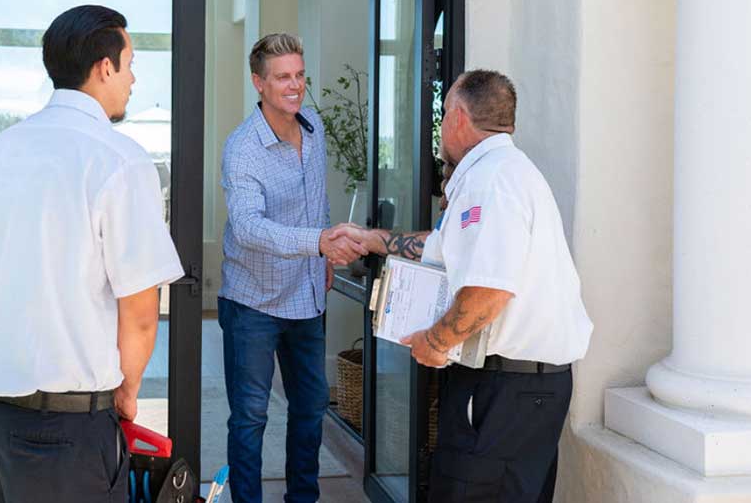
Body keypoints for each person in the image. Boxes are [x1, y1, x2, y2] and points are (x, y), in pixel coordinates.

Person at [0, 5, 183, 503]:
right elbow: (141, 313)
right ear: (104, 67)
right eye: (130, 64)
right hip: (63, 437)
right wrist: (126, 394)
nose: (133, 80)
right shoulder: (119, 160)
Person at [350, 69, 593, 503]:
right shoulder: (504, 173)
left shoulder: (491, 181)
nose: (441, 126)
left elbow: (489, 292)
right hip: (523, 392)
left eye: (444, 114)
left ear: (459, 118)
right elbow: (443, 248)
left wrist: (435, 341)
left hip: (503, 390)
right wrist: (373, 240)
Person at [218, 33, 367, 503]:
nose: (295, 85)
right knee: (250, 417)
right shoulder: (242, 148)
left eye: (300, 75)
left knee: (310, 408)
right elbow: (248, 228)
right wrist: (317, 243)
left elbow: (316, 199)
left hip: (307, 296)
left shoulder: (313, 127)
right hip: (253, 302)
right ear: (258, 82)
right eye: (283, 77)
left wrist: (323, 253)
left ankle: (303, 498)